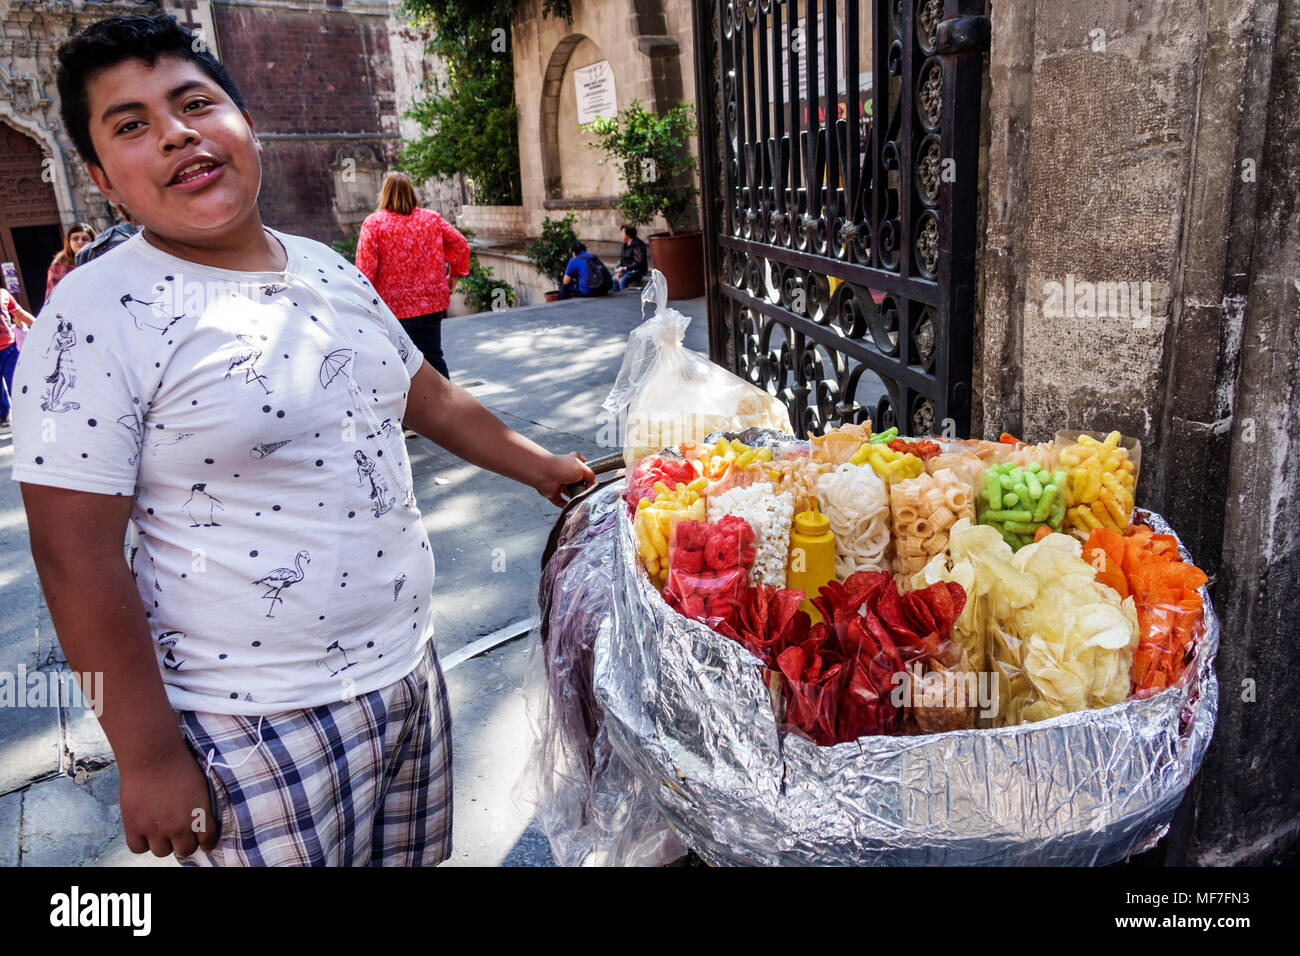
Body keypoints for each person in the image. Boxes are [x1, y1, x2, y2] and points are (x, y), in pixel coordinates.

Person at [10, 13, 594, 867]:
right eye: (131, 124)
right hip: (248, 725)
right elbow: (73, 558)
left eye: (195, 102)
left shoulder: (322, 265)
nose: (176, 133)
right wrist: (146, 756)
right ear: (100, 175)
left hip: (406, 669)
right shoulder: (88, 319)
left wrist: (548, 470)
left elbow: (424, 397)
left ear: (247, 125)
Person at [355, 172, 469, 381]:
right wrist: (453, 277)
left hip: (392, 309)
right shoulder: (431, 219)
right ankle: (445, 405)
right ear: (411, 192)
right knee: (434, 356)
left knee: (400, 362)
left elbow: (364, 271)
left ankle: (412, 409)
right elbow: (460, 244)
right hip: (431, 303)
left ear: (385, 193)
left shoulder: (374, 224)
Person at [0, 287, 36, 427]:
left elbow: (19, 313)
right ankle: (3, 416)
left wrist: (38, 324)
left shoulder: (3, 294)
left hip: (9, 348)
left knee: (15, 382)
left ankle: (25, 414)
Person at [45, 222, 97, 302]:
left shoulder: (101, 259)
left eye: (85, 239)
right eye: (75, 238)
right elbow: (52, 296)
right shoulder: (59, 265)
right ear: (68, 242)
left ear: (92, 241)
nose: (80, 242)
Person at [612, 224, 648, 292]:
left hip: (637, 270)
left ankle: (624, 298)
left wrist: (625, 268)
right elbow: (622, 260)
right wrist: (619, 273)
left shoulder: (637, 244)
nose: (621, 234)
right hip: (627, 270)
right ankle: (616, 299)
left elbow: (638, 262)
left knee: (622, 280)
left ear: (628, 234)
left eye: (622, 232)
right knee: (614, 279)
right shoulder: (625, 245)